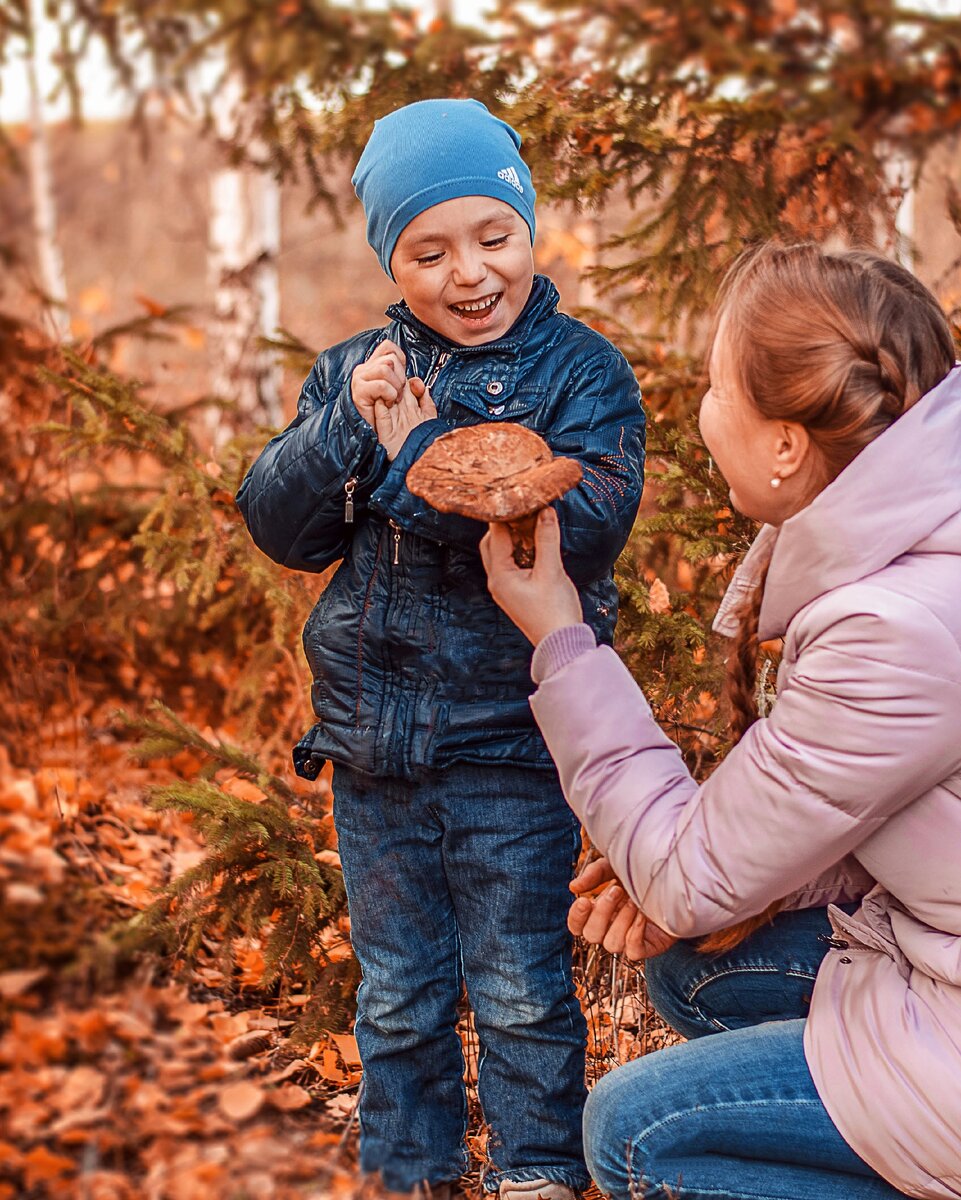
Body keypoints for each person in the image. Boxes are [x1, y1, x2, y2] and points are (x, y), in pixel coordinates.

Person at [480, 241, 961, 1200]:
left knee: (635, 1135)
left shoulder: (894, 629)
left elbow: (687, 880)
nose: (699, 412)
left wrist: (561, 638)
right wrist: (727, 882)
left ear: (785, 444)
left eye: (713, 386)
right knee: (696, 972)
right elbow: (900, 810)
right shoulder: (920, 551)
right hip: (935, 956)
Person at [235, 98, 646, 1197]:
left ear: (529, 230)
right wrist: (338, 433)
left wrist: (415, 450)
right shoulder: (352, 374)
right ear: (392, 259)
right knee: (398, 994)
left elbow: (579, 524)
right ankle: (408, 1173)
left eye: (491, 237)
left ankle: (536, 1174)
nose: (468, 272)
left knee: (517, 989)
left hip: (510, 742)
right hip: (375, 750)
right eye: (429, 250)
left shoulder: (582, 377)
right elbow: (281, 530)